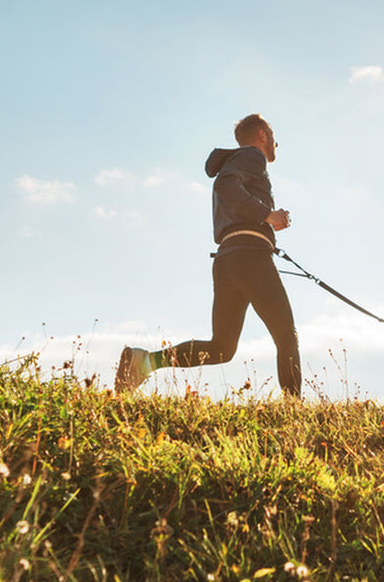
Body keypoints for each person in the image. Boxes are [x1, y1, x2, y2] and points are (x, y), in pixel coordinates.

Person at [116, 114, 303, 397]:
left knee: (222, 348)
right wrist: (267, 215)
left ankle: (145, 361)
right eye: (273, 135)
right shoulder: (253, 157)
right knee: (286, 337)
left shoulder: (237, 161)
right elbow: (225, 186)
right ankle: (293, 410)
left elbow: (228, 189)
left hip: (228, 259)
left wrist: (266, 223)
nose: (276, 142)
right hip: (250, 257)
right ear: (263, 135)